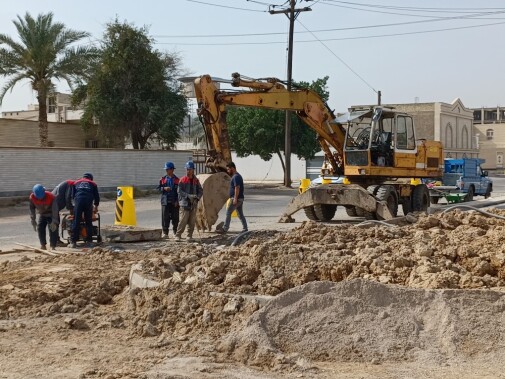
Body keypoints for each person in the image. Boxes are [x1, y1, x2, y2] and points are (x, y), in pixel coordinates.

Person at [68, 173, 100, 248]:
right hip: (88, 202)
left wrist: (75, 206)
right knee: (88, 222)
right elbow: (96, 196)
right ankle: (89, 242)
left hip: (78, 201)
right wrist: (96, 206)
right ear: (90, 178)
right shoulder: (93, 183)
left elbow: (72, 196)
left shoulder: (76, 182)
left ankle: (73, 242)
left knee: (76, 221)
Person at [175, 161, 203, 242]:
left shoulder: (196, 180)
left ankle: (189, 236)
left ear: (193, 170)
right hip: (184, 203)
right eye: (187, 169)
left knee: (192, 221)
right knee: (183, 220)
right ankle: (178, 235)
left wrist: (197, 198)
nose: (188, 171)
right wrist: (188, 196)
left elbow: (200, 190)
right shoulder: (182, 180)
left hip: (193, 203)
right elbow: (179, 191)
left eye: (190, 169)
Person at [217, 161, 248, 234]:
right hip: (240, 199)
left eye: (228, 169)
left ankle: (225, 228)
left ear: (232, 168)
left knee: (228, 212)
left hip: (236, 198)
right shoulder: (237, 176)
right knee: (240, 214)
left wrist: (235, 198)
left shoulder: (236, 177)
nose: (227, 171)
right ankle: (245, 228)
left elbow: (237, 187)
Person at [29, 184, 59, 250]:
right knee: (40, 228)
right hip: (42, 214)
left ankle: (53, 246)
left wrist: (54, 220)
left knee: (53, 229)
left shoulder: (51, 197)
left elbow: (55, 209)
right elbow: (32, 209)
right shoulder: (32, 198)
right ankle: (43, 245)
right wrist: (33, 220)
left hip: (51, 214)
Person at [158, 161, 179, 239]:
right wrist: (164, 188)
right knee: (165, 218)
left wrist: (177, 201)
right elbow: (158, 189)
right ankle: (165, 233)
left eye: (168, 169)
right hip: (165, 202)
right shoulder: (163, 179)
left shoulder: (177, 180)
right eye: (166, 170)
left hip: (174, 202)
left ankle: (175, 232)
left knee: (175, 218)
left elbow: (179, 192)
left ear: (172, 170)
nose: (167, 171)